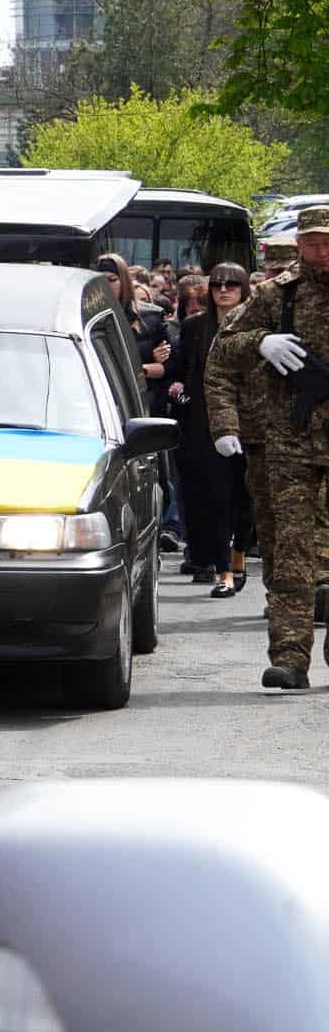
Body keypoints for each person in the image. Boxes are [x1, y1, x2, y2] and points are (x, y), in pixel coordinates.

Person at [208, 208, 329, 689]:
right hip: (289, 442)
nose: (321, 252)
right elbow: (222, 350)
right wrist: (262, 342)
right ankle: (291, 658)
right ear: (299, 244)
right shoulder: (274, 294)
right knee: (290, 554)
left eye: (327, 243)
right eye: (313, 243)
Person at [166, 268, 239, 594]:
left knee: (241, 500)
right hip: (199, 419)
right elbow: (179, 371)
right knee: (205, 493)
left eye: (232, 284)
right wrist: (176, 384)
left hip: (247, 418)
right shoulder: (195, 326)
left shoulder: (256, 324)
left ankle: (234, 560)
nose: (223, 290)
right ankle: (213, 562)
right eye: (218, 285)